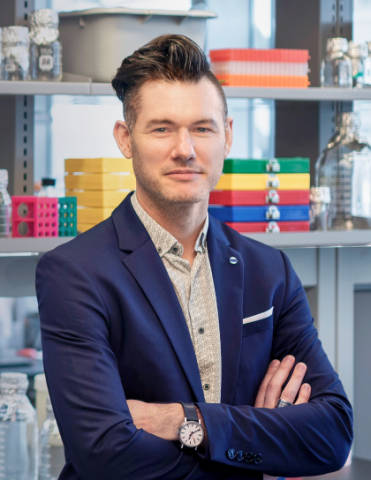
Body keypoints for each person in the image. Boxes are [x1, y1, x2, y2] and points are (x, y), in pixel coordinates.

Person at [35, 35, 353, 480]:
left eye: (202, 128)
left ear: (226, 136)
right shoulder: (75, 274)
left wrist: (181, 422)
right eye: (162, 128)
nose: (185, 148)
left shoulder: (269, 271)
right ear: (126, 140)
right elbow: (104, 453)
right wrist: (254, 450)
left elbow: (333, 435)